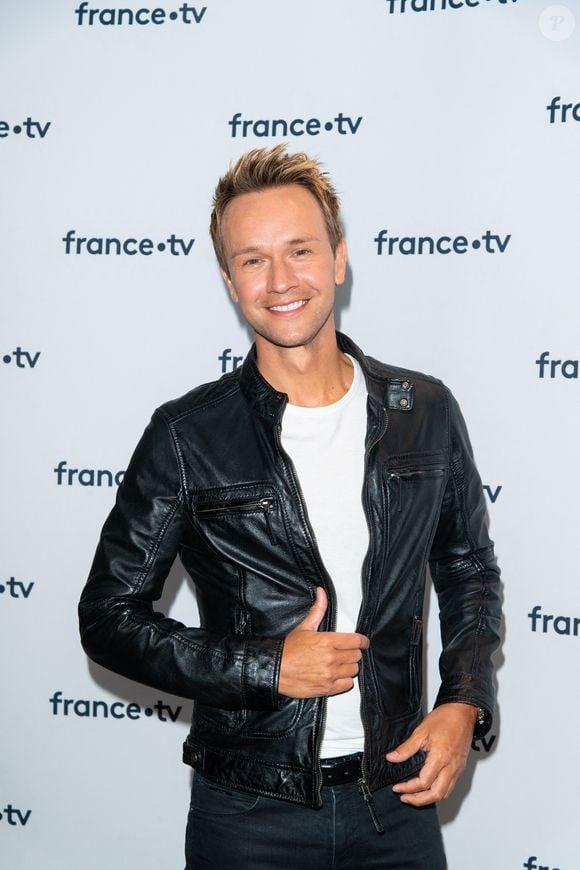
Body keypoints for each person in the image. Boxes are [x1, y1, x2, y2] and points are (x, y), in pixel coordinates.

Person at [79, 144, 501, 869]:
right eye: (253, 260)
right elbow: (108, 618)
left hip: (396, 799)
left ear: (339, 258)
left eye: (300, 251)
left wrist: (464, 700)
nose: (280, 281)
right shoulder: (187, 435)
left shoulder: (423, 410)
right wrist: (265, 666)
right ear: (229, 280)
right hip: (249, 814)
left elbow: (467, 568)